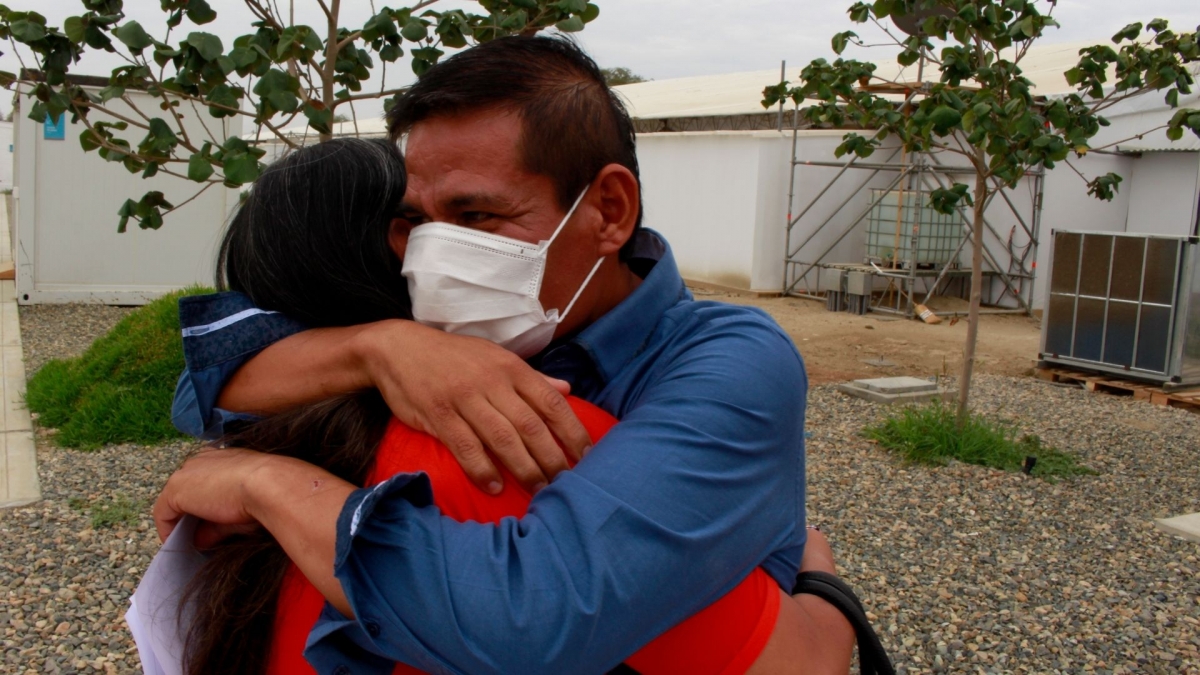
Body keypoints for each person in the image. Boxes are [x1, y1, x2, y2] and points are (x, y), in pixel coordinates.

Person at [158, 35, 844, 673]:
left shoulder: (728, 360)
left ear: (608, 209)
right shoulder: (433, 337)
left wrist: (265, 484)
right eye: (417, 222)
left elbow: (536, 610)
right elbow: (201, 388)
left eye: (477, 217)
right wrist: (379, 347)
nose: (431, 254)